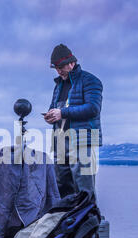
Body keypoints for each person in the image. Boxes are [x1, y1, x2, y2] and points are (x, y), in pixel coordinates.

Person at [44, 44, 103, 200]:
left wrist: (62, 112)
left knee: (84, 187)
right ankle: (66, 220)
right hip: (60, 141)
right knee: (62, 186)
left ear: (72, 62)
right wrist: (51, 116)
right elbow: (54, 108)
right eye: (56, 68)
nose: (58, 70)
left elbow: (93, 108)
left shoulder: (90, 81)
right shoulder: (58, 86)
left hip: (82, 140)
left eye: (61, 66)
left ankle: (88, 219)